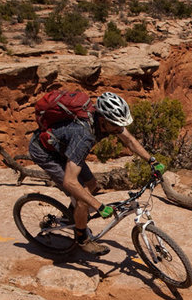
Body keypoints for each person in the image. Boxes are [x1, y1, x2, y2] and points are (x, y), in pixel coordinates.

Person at [28, 91, 158, 256]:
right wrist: (98, 206)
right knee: (83, 199)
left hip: (64, 148)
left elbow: (130, 140)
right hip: (47, 153)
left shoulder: (104, 121)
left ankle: (71, 217)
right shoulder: (84, 136)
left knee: (92, 185)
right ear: (103, 121)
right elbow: (70, 181)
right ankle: (82, 239)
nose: (120, 128)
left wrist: (152, 160)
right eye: (116, 124)